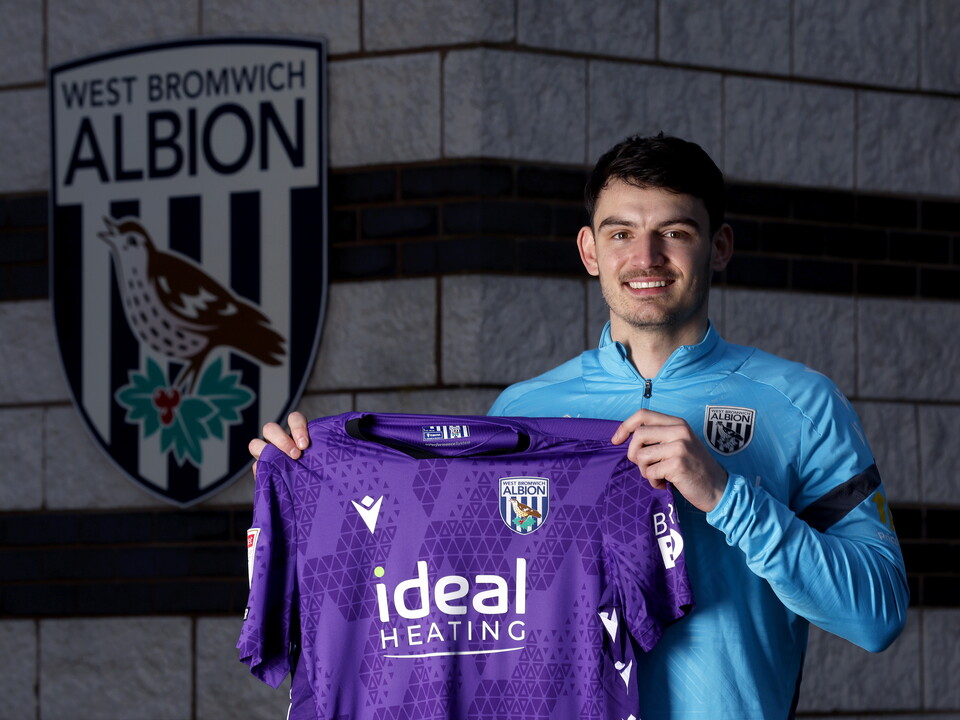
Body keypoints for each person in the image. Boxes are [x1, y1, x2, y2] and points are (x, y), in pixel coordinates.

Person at [250, 134, 909, 719]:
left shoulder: (801, 404)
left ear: (721, 246)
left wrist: (726, 496)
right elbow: (445, 599)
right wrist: (308, 493)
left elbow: (876, 616)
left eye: (675, 232)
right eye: (621, 233)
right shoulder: (521, 416)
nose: (646, 257)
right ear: (590, 250)